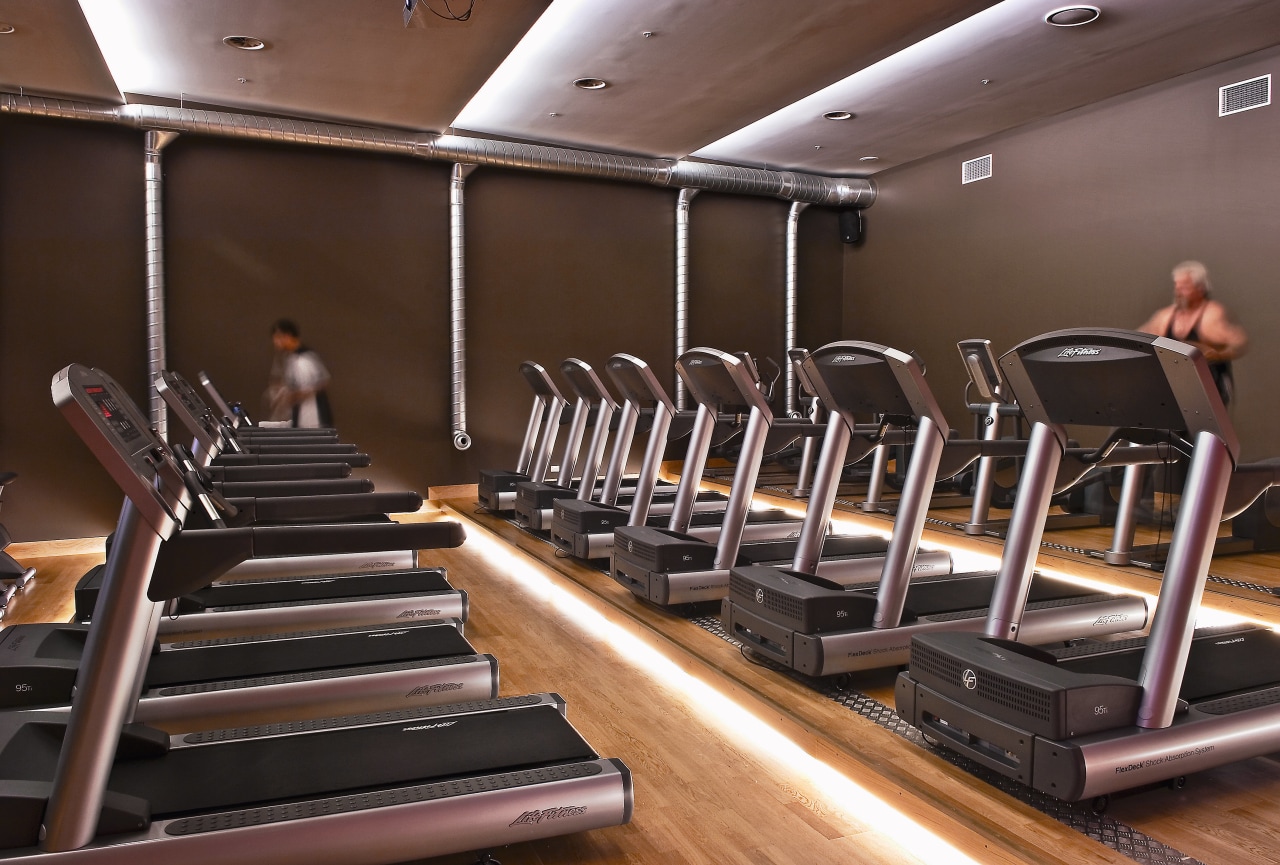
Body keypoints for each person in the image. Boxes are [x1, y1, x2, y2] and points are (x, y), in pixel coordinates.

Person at [1137, 260, 1248, 406]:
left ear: (1200, 288)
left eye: (1184, 287)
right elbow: (1137, 340)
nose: (1178, 291)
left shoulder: (1212, 314)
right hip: (1176, 389)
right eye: (1176, 285)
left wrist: (1218, 354)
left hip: (1208, 391)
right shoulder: (1165, 316)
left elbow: (1239, 342)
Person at [269, 319, 334, 428]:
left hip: (311, 420)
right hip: (305, 419)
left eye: (277, 337)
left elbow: (315, 386)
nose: (275, 342)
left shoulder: (302, 359)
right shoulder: (293, 358)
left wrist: (285, 397)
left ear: (287, 336)